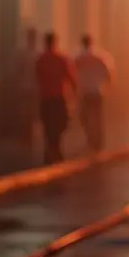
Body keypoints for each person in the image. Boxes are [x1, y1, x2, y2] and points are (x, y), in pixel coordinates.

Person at [35, 32, 77, 164]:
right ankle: (55, 148)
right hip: (58, 97)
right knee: (60, 123)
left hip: (45, 97)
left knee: (48, 124)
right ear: (54, 42)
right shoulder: (61, 58)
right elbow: (70, 76)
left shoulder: (41, 59)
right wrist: (74, 91)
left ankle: (50, 149)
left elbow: (37, 77)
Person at [75, 35, 113, 152]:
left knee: (84, 117)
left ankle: (91, 138)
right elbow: (108, 74)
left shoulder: (78, 58)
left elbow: (73, 74)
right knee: (98, 117)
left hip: (85, 92)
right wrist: (106, 87)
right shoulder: (100, 56)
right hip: (97, 91)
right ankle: (98, 141)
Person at [14, 27, 39, 144]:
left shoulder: (23, 54)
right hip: (33, 87)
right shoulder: (37, 54)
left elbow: (18, 70)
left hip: (25, 86)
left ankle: (26, 135)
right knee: (30, 112)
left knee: (26, 111)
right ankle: (28, 135)